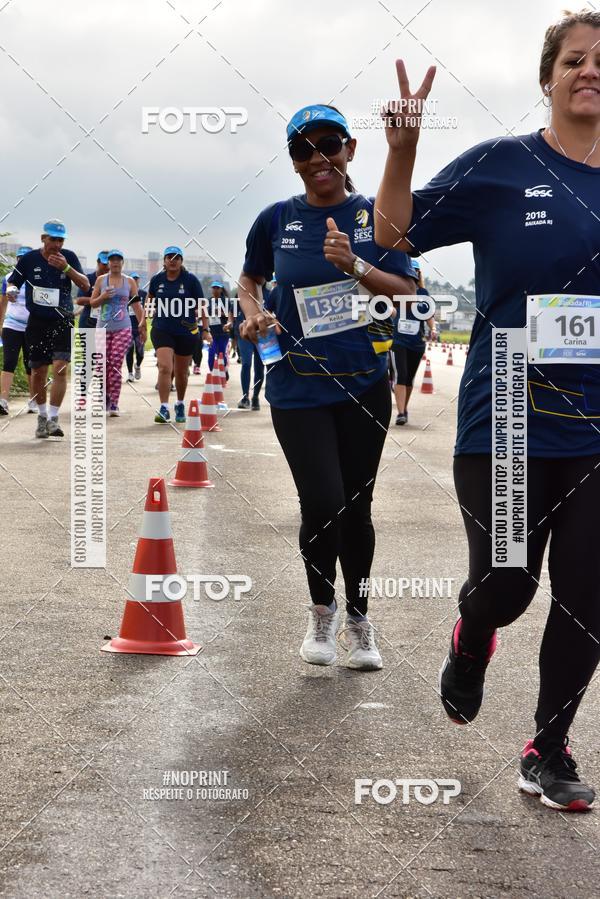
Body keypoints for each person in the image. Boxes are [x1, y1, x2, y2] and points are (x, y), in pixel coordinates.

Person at [375, 9, 600, 810]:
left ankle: (548, 746)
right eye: (575, 59)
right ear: (549, 77)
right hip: (507, 412)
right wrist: (402, 152)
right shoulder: (504, 166)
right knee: (508, 582)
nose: (589, 71)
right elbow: (395, 231)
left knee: (588, 592)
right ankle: (474, 636)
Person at [239, 103, 417, 670]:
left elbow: (409, 293)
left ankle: (361, 621)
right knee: (321, 502)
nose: (317, 158)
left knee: (357, 508)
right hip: (296, 386)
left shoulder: (376, 217)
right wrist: (253, 311)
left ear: (350, 150)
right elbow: (250, 279)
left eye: (328, 145)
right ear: (292, 162)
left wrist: (355, 268)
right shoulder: (275, 219)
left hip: (362, 385)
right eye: (302, 149)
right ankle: (322, 613)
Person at [8, 219, 89, 438]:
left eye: (60, 240)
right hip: (37, 322)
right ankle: (42, 416)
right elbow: (13, 281)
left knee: (61, 367)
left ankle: (54, 418)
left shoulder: (69, 257)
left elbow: (85, 285)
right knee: (38, 371)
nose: (56, 244)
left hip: (62, 320)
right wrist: (12, 289)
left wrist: (66, 268)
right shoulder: (29, 259)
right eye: (52, 239)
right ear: (43, 238)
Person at [147, 246, 206, 423]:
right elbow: (149, 301)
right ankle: (164, 407)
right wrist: (143, 322)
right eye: (169, 257)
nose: (172, 260)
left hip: (186, 331)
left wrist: (206, 329)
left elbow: (202, 305)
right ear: (164, 261)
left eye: (176, 258)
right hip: (162, 328)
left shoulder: (190, 280)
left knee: (181, 373)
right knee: (165, 367)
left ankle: (180, 403)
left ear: (181, 261)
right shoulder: (157, 280)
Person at [88, 250, 145, 416]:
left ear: (122, 263)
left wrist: (143, 326)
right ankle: (105, 396)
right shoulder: (101, 280)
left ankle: (114, 403)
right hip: (102, 328)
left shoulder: (129, 282)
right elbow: (92, 303)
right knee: (102, 365)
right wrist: (103, 296)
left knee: (115, 363)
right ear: (108, 263)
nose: (115, 263)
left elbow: (136, 306)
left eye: (118, 260)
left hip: (123, 327)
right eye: (112, 260)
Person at [389, 259, 436, 425]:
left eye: (415, 271)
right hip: (398, 340)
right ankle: (400, 413)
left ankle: (404, 408)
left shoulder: (424, 294)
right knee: (400, 375)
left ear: (418, 274)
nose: (412, 274)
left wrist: (434, 329)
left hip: (417, 342)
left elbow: (429, 315)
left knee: (409, 378)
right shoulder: (396, 290)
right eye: (410, 271)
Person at [0, 246, 38, 415]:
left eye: (25, 258)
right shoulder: (8, 278)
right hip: (12, 325)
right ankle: (3, 401)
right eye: (19, 258)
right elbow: (2, 304)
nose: (22, 261)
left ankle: (34, 400)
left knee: (31, 364)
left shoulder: (36, 279)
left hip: (32, 327)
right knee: (9, 361)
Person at [235, 287, 265, 410]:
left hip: (262, 336)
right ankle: (245, 397)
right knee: (246, 363)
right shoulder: (241, 295)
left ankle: (256, 397)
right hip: (245, 335)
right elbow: (234, 313)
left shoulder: (269, 294)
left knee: (259, 367)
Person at [207, 280, 234, 377]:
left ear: (221, 289)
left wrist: (221, 313)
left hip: (223, 332)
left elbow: (231, 316)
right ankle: (212, 373)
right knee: (211, 354)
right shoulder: (209, 301)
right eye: (213, 288)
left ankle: (224, 371)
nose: (215, 290)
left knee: (221, 354)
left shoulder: (226, 301)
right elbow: (205, 315)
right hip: (212, 333)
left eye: (217, 288)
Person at [125, 273, 147, 381]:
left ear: (138, 281)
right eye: (132, 279)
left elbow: (147, 308)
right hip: (128, 326)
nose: (134, 281)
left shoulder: (143, 293)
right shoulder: (124, 294)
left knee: (140, 352)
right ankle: (130, 373)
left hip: (139, 326)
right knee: (129, 349)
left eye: (136, 279)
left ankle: (137, 365)